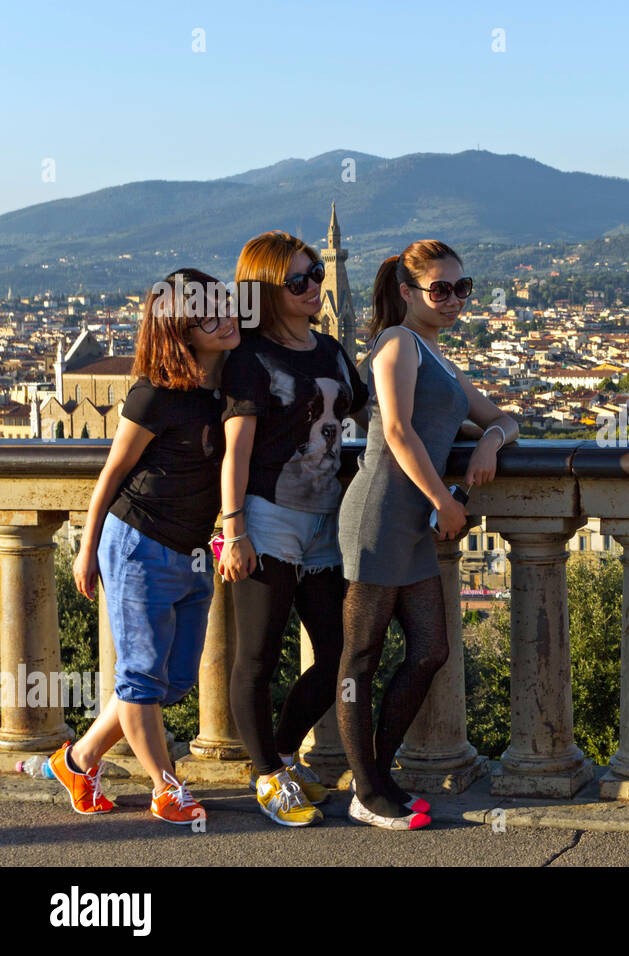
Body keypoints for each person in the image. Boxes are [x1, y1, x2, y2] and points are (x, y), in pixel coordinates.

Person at [50, 269, 240, 825]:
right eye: (209, 316)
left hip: (193, 552)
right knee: (139, 678)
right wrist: (87, 549)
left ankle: (79, 759)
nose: (226, 318)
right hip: (137, 543)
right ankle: (166, 786)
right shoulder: (154, 393)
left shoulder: (227, 382)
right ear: (181, 331)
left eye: (225, 306)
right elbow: (112, 473)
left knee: (173, 680)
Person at [337, 240, 517, 828]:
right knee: (360, 655)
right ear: (407, 292)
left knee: (431, 650)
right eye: (440, 289)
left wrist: (488, 442)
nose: (454, 300)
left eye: (462, 288)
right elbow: (393, 429)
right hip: (383, 513)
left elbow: (503, 419)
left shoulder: (436, 355)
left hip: (415, 520)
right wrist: (445, 499)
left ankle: (376, 777)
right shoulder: (396, 345)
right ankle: (368, 789)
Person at [217, 231, 369, 827]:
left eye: (317, 276)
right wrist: (235, 531)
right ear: (265, 290)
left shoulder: (330, 349)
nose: (313, 287)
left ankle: (280, 753)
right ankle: (266, 777)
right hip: (267, 517)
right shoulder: (250, 361)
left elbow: (373, 404)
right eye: (299, 280)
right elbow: (236, 450)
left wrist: (473, 423)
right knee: (257, 655)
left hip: (326, 519)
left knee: (339, 649)